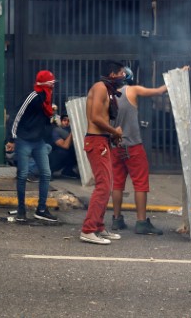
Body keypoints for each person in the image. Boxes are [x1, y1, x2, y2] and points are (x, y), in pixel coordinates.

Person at [110, 66, 189, 235]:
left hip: (115, 146)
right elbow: (159, 90)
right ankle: (141, 222)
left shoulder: (107, 95)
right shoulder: (132, 90)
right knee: (140, 184)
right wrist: (178, 75)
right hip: (133, 146)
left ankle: (116, 219)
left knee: (117, 183)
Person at [80, 61, 126, 245]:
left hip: (102, 140)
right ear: (113, 74)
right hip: (96, 141)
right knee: (103, 186)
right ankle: (88, 229)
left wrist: (112, 135)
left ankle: (98, 227)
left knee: (107, 185)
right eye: (122, 72)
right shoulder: (100, 88)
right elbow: (95, 117)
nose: (124, 75)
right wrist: (115, 131)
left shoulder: (107, 89)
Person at [5, 70, 59, 223]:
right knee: (22, 175)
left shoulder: (46, 98)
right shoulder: (33, 96)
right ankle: (21, 209)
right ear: (45, 83)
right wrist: (12, 139)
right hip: (24, 140)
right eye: (51, 82)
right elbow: (16, 116)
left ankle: (41, 209)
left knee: (46, 174)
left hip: (39, 141)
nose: (53, 85)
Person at [50, 115, 79, 179]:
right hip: (54, 156)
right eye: (64, 120)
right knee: (62, 152)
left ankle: (67, 171)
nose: (66, 122)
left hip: (65, 156)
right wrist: (72, 132)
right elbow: (65, 146)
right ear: (60, 121)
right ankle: (49, 171)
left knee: (77, 151)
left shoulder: (68, 130)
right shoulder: (56, 130)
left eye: (68, 121)